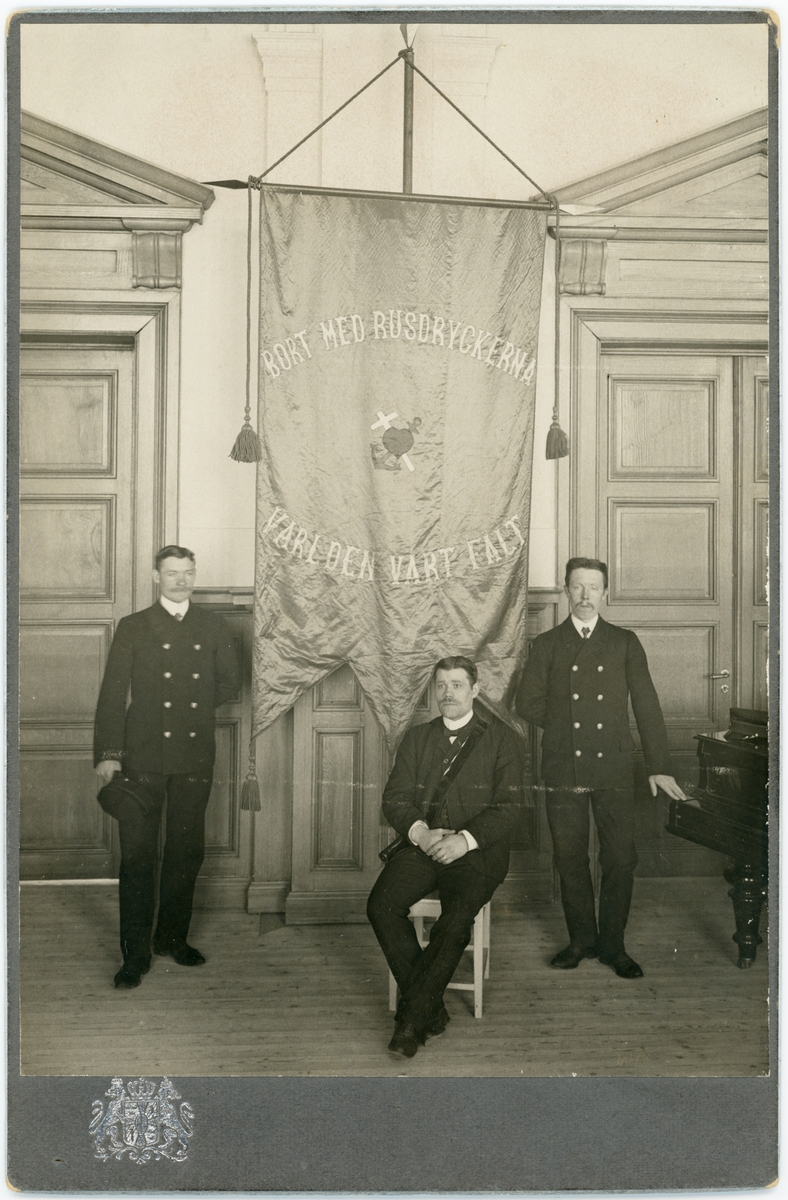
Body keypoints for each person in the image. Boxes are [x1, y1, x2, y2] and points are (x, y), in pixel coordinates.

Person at [516, 557, 686, 980]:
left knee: (620, 858)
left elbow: (646, 705)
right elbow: (527, 703)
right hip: (563, 769)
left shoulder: (624, 642)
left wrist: (658, 766)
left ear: (605, 592)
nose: (586, 595)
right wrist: (568, 730)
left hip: (614, 769)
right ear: (566, 591)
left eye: (594, 587)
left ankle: (612, 944)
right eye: (578, 587)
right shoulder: (547, 645)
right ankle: (580, 940)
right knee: (570, 857)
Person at [94, 546, 240, 989]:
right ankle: (134, 955)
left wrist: (185, 715)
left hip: (193, 756)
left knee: (185, 852)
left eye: (188, 573)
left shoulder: (214, 626)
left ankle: (172, 938)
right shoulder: (134, 627)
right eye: (172, 573)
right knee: (138, 857)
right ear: (156, 576)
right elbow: (113, 694)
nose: (181, 580)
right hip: (141, 757)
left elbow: (229, 684)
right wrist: (108, 753)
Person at [367, 656, 525, 1059]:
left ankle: (412, 1021)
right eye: (441, 686)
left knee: (455, 920)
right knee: (381, 906)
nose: (448, 693)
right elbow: (395, 799)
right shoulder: (417, 737)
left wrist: (465, 840)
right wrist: (420, 833)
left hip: (477, 851)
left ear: (475, 690)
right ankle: (429, 1009)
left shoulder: (504, 739)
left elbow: (509, 808)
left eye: (457, 685)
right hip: (425, 845)